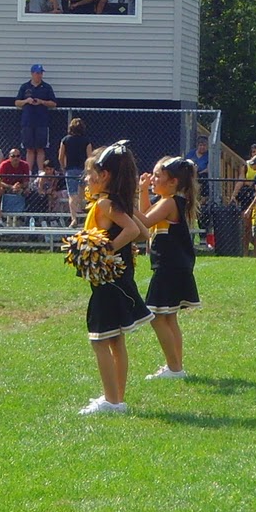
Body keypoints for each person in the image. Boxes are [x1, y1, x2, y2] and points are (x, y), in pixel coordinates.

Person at [79, 143, 152, 415]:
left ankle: (111, 402)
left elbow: (134, 230)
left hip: (109, 283)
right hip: (118, 281)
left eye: (90, 175)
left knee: (100, 339)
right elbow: (145, 233)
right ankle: (116, 398)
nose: (87, 180)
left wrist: (105, 251)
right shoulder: (114, 203)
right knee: (116, 340)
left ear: (104, 175)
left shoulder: (107, 204)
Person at [139, 156, 201, 380]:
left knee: (156, 316)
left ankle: (174, 368)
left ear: (173, 182)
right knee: (169, 317)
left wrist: (121, 202)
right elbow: (146, 214)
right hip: (173, 266)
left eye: (158, 176)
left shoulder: (169, 202)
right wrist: (143, 192)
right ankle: (176, 367)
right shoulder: (166, 200)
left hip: (169, 267)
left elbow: (143, 221)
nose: (153, 179)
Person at [15, 64, 57, 173]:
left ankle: (40, 171)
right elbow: (17, 102)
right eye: (37, 73)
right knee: (29, 148)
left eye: (41, 73)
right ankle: (28, 171)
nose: (39, 75)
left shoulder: (47, 87)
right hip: (27, 122)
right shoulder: (25, 87)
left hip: (42, 122)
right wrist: (26, 101)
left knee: (40, 148)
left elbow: (53, 103)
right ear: (32, 73)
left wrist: (42, 102)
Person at [59, 117, 93, 224]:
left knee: (72, 194)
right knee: (83, 194)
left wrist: (63, 168)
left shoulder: (65, 140)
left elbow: (60, 156)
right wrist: (89, 171)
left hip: (71, 170)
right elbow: (90, 157)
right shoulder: (86, 141)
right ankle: (85, 216)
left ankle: (74, 218)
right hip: (83, 170)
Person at [0, 146, 31, 217]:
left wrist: (19, 186)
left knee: (28, 191)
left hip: (19, 187)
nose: (15, 158)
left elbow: (26, 181)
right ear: (9, 157)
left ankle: (24, 215)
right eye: (13, 156)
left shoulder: (25, 165)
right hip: (6, 187)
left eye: (18, 156)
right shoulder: (4, 165)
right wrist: (11, 187)